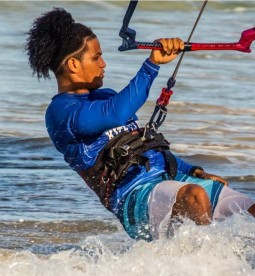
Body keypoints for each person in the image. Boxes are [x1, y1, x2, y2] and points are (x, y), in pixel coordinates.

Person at [25, 8, 255, 241]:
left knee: (250, 208)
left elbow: (144, 148)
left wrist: (194, 170)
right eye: (96, 57)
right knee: (195, 196)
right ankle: (205, 268)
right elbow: (116, 113)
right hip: (134, 196)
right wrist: (152, 64)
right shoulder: (62, 112)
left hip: (169, 179)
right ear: (73, 64)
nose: (103, 64)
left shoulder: (105, 95)